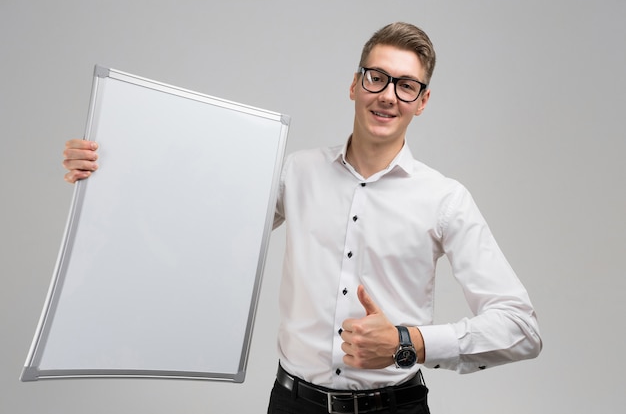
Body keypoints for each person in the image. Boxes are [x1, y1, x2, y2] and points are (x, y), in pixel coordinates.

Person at [63, 22, 542, 414]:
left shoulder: (445, 198)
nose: (388, 95)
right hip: (294, 406)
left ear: (422, 101)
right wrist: (109, 169)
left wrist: (409, 342)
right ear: (355, 83)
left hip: (396, 408)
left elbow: (520, 328)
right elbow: (197, 219)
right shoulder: (296, 172)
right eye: (376, 77)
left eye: (406, 85)